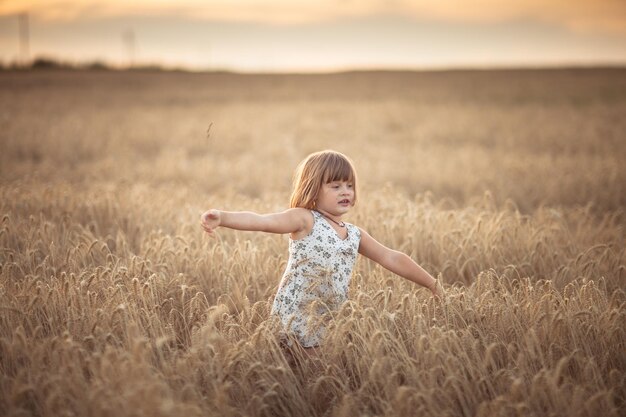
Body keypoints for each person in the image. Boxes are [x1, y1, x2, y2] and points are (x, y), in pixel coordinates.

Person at [200, 150, 441, 357]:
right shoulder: (305, 219)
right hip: (298, 314)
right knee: (307, 374)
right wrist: (223, 217)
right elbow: (263, 221)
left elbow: (391, 257)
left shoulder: (354, 234)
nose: (345, 191)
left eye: (349, 186)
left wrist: (432, 284)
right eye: (335, 186)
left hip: (329, 315)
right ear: (313, 189)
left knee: (317, 378)